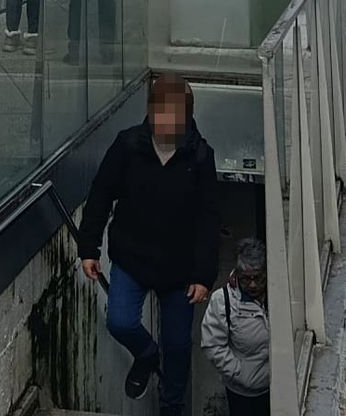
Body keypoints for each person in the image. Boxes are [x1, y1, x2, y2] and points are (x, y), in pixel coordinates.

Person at [77, 74, 221, 416]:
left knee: (178, 345)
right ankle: (145, 355)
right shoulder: (128, 145)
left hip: (180, 270)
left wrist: (204, 274)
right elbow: (100, 195)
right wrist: (88, 248)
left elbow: (208, 218)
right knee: (121, 322)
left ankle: (172, 406)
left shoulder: (200, 156)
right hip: (132, 257)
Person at [202, 238, 271, 416]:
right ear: (238, 274)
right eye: (247, 279)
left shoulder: (279, 295)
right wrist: (240, 373)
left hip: (277, 387)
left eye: (258, 278)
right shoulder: (222, 300)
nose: (253, 284)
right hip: (240, 391)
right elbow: (213, 346)